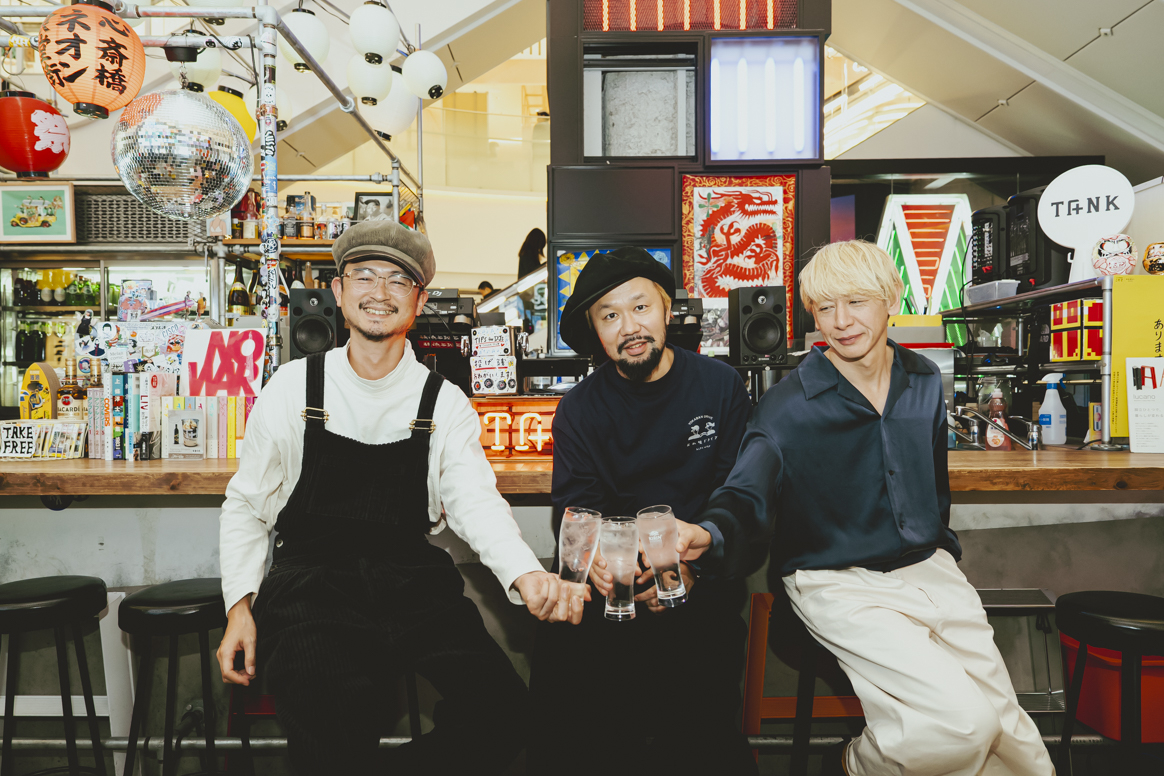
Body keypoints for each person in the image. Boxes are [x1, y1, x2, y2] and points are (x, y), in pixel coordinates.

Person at [216, 221, 588, 776]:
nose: (380, 292)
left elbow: (475, 500)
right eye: (364, 275)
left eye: (398, 280)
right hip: (310, 585)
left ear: (418, 300)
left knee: (504, 713)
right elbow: (247, 505)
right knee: (333, 725)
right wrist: (239, 608)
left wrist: (525, 575)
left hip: (411, 581)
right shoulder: (293, 386)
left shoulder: (444, 401)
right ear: (338, 290)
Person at [697, 240, 1054, 776]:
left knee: (1016, 741)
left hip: (926, 567)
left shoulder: (924, 379)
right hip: (834, 578)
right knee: (965, 727)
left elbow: (933, 488)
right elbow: (746, 491)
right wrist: (709, 532)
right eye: (825, 307)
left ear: (891, 299)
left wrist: (937, 553)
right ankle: (855, 764)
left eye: (857, 302)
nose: (841, 321)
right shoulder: (787, 406)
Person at [528, 247, 758, 776]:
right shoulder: (579, 409)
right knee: (576, 715)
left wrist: (691, 568)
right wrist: (603, 565)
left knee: (699, 735)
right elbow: (578, 509)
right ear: (595, 330)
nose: (629, 327)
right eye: (610, 315)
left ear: (667, 310)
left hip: (699, 582)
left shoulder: (720, 386)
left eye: (640, 307)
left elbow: (736, 496)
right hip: (612, 590)